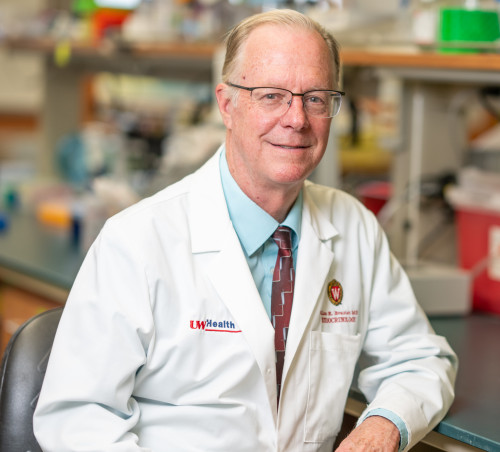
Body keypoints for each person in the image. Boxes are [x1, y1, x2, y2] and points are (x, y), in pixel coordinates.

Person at [34, 9, 457, 452]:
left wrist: (381, 428)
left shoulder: (354, 228)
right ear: (227, 104)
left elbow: (421, 359)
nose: (296, 119)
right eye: (272, 96)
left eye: (315, 98)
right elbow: (78, 418)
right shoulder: (137, 241)